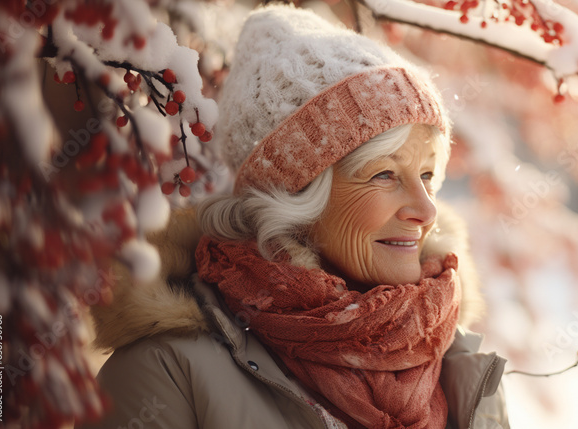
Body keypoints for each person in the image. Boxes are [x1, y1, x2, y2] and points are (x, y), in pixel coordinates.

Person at [80, 5, 508, 429]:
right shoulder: (166, 374)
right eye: (384, 174)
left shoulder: (459, 366)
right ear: (295, 196)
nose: (427, 210)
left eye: (428, 175)